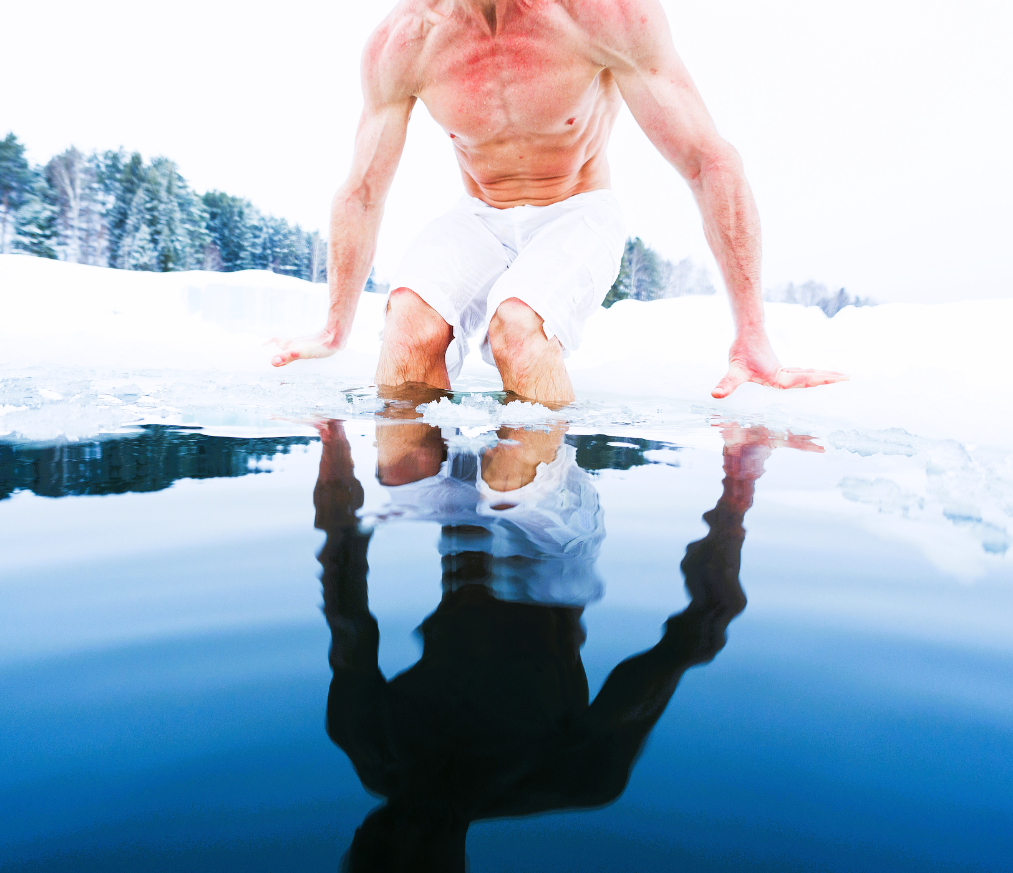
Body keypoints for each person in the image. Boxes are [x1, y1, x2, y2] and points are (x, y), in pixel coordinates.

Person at [271, 0, 848, 403]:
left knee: (518, 330)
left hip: (577, 207)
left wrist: (752, 332)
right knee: (408, 326)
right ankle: (440, 516)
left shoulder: (600, 13)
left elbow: (709, 162)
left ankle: (541, 540)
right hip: (479, 212)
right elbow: (362, 192)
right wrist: (333, 327)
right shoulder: (403, 41)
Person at [312, 413, 820, 870]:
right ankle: (741, 461)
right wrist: (736, 496)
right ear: (455, 864)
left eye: (381, 857)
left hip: (461, 539)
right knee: (509, 472)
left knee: (404, 459)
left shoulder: (367, 737)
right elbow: (695, 638)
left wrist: (331, 438)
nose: (403, 842)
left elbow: (343, 591)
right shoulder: (568, 774)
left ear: (361, 840)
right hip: (551, 553)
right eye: (418, 865)